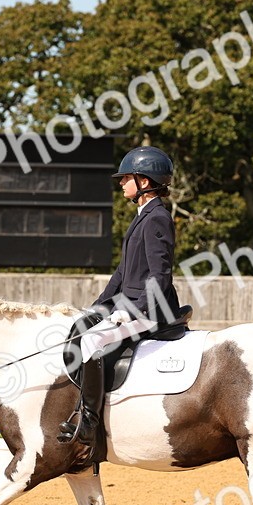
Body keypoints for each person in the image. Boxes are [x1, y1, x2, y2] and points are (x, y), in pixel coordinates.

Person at [58, 146, 182, 449]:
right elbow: (123, 273)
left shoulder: (157, 218)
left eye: (126, 178)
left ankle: (89, 423)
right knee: (82, 331)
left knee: (94, 343)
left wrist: (135, 311)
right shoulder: (144, 216)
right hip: (130, 304)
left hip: (153, 309)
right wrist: (97, 307)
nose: (120, 183)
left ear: (145, 181)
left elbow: (160, 275)